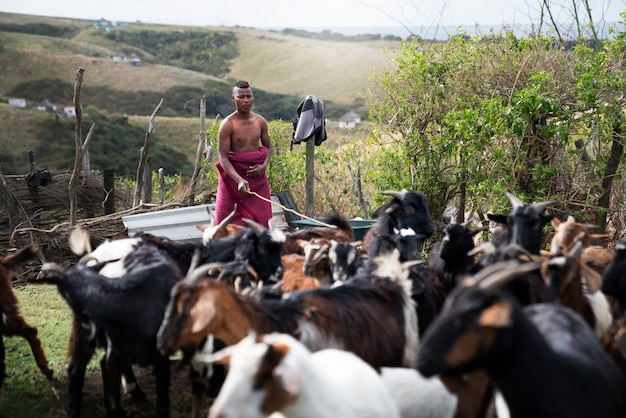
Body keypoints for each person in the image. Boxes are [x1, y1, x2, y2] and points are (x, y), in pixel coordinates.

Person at [214, 80, 273, 228]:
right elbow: (223, 159)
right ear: (233, 98)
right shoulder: (227, 125)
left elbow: (268, 148)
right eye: (241, 97)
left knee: (263, 222)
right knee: (226, 225)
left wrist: (263, 166)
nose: (246, 100)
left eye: (249, 96)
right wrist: (239, 180)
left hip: (258, 180)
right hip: (233, 180)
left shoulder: (260, 122)